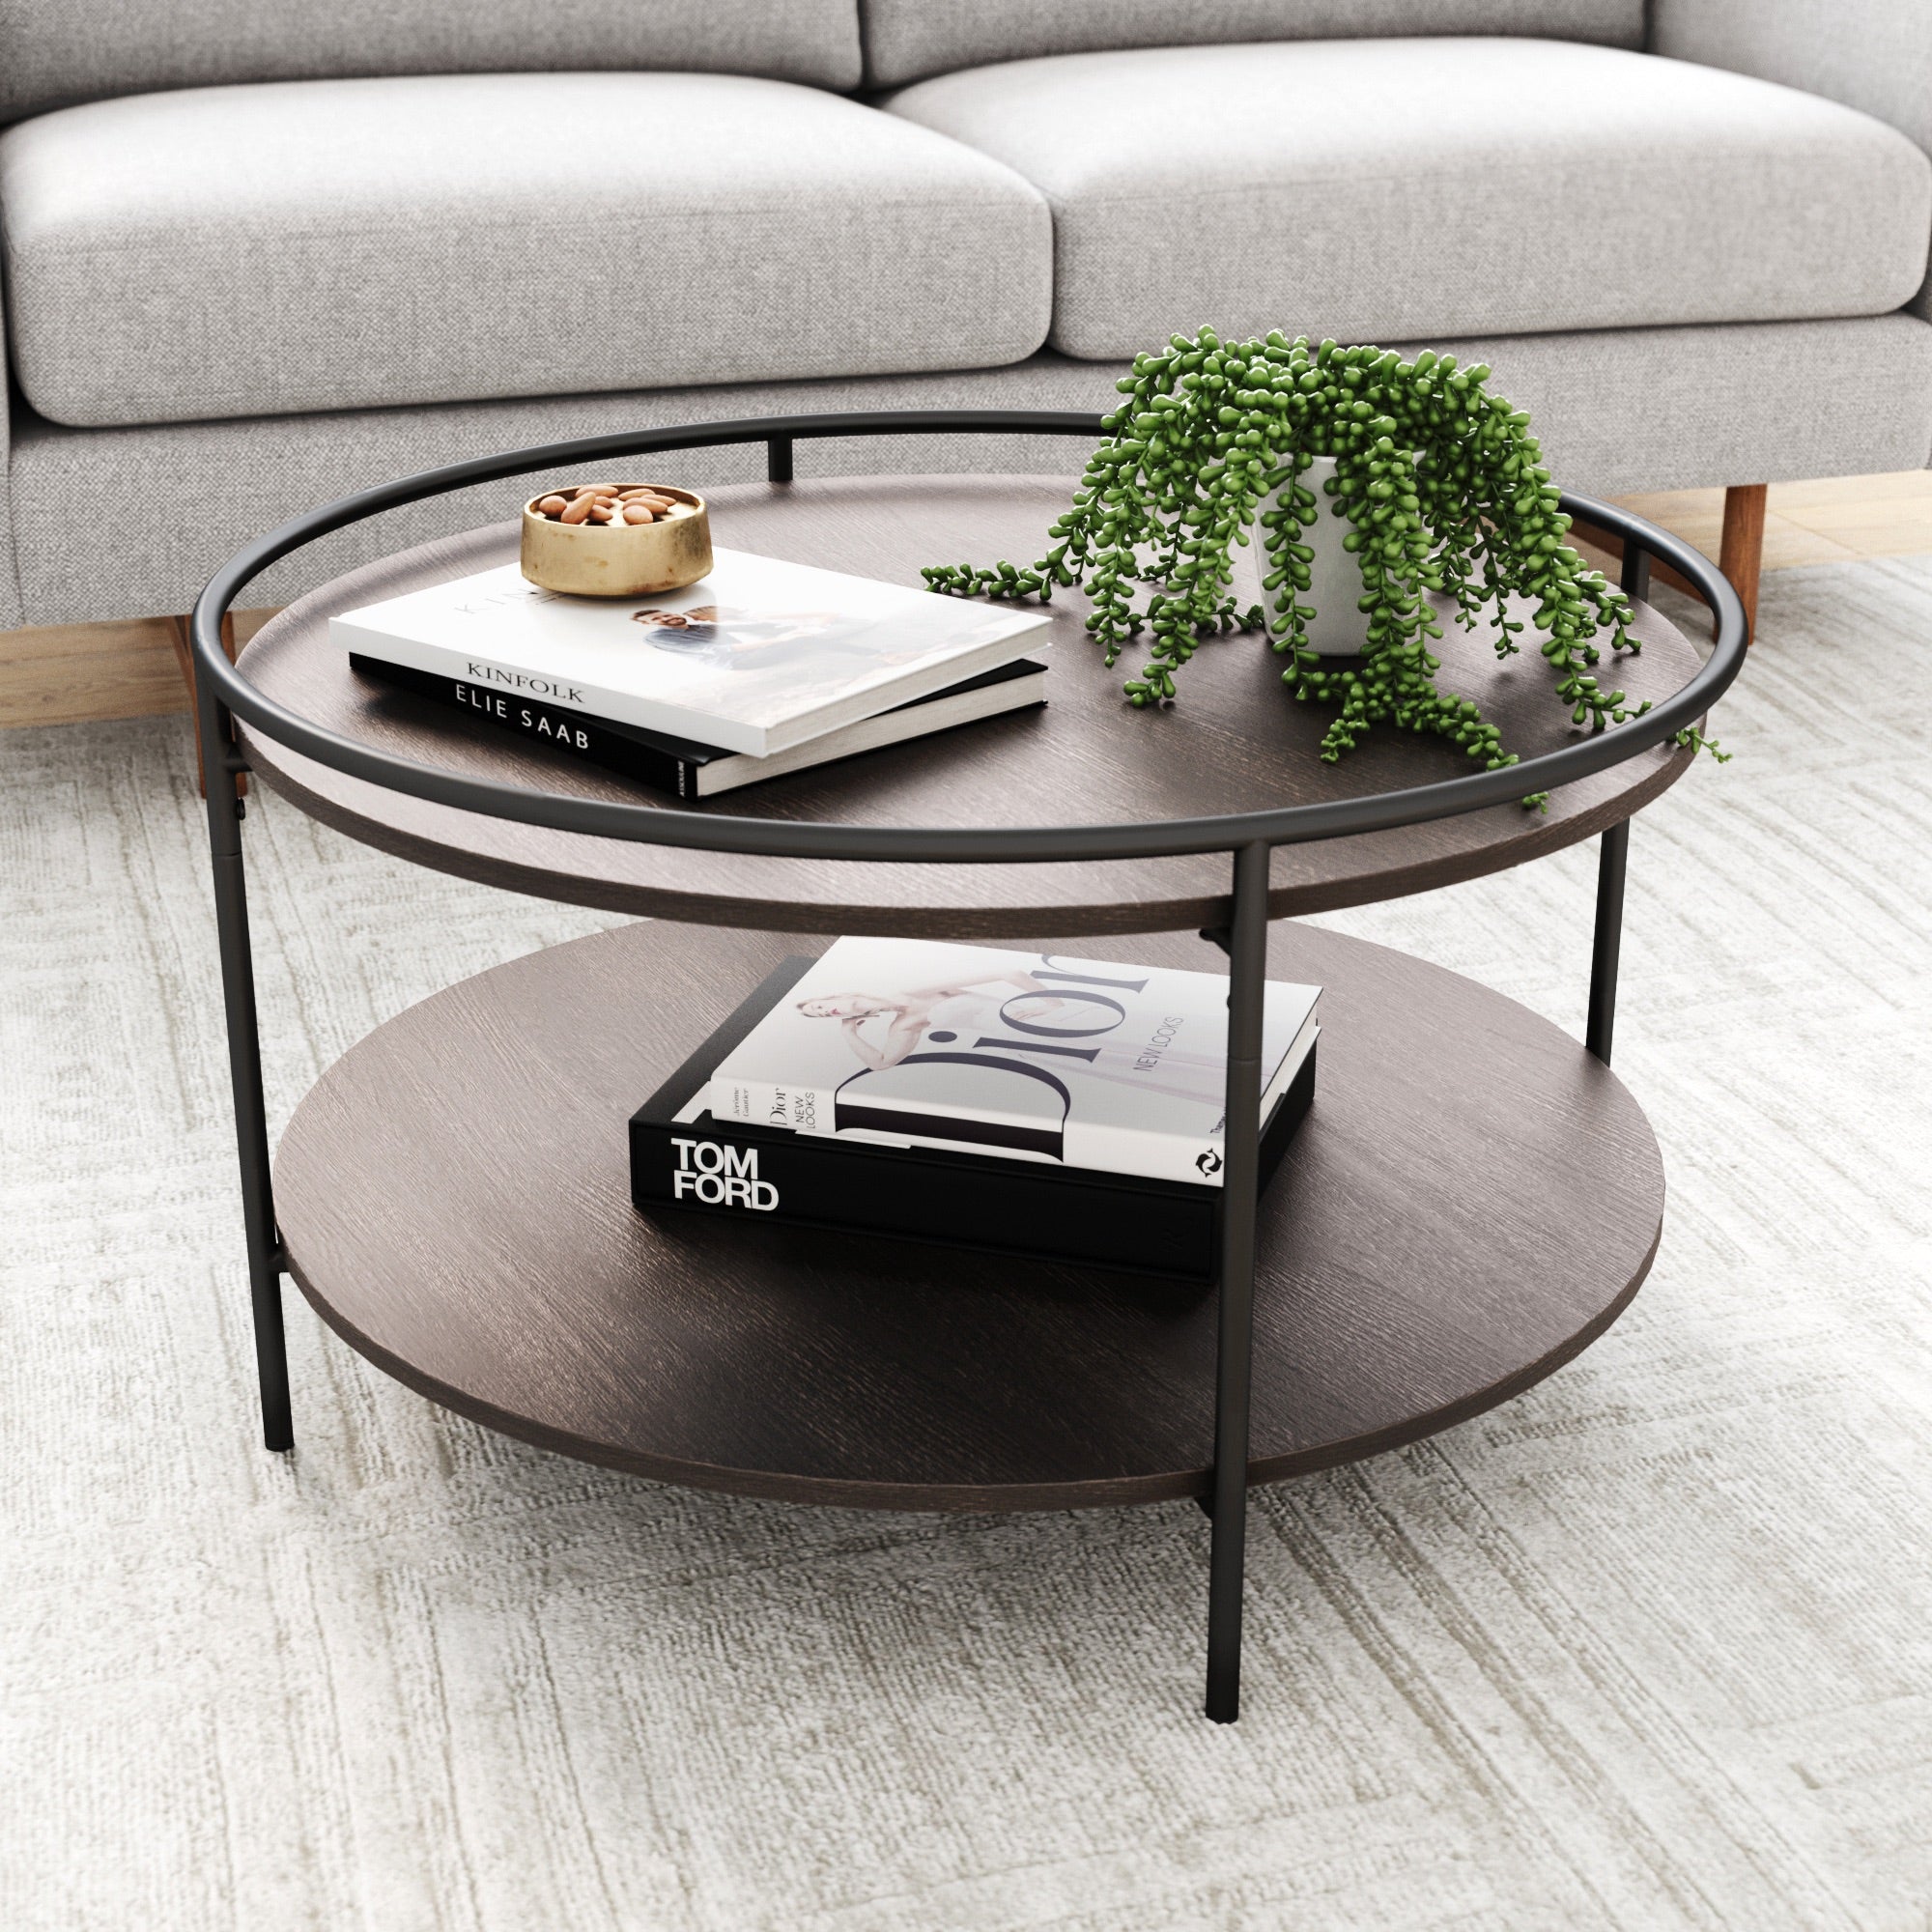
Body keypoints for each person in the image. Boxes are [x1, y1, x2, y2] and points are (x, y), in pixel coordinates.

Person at [797, 969, 1064, 1072]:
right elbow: (881, 1063)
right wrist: (849, 1034)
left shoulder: (911, 988)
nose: (824, 1012)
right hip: (1023, 1045)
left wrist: (1054, 1004)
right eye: (819, 1015)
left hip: (1045, 1024)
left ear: (838, 995)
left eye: (820, 1006)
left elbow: (1007, 973)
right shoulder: (902, 1025)